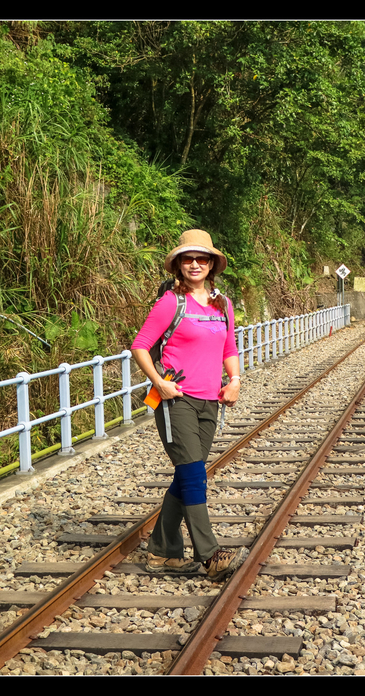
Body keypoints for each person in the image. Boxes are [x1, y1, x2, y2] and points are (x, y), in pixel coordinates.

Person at [130, 229, 249, 581]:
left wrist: (236, 381)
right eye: (188, 259)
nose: (195, 264)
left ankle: (162, 552)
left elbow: (229, 348)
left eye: (202, 259)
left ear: (212, 264)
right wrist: (159, 383)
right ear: (178, 265)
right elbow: (140, 345)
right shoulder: (171, 302)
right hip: (176, 401)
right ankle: (210, 555)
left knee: (187, 477)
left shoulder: (221, 303)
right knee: (195, 476)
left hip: (211, 401)